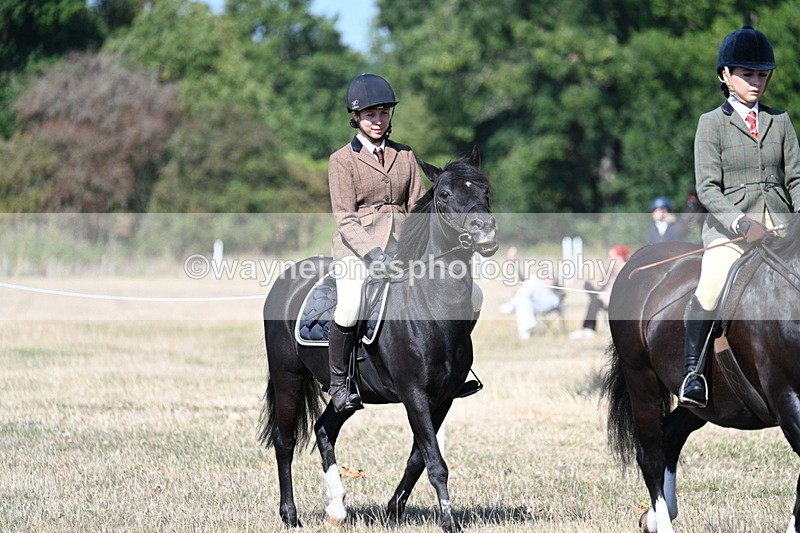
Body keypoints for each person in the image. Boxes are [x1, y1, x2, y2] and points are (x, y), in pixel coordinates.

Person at [327, 73, 483, 412]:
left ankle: (454, 369)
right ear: (356, 117)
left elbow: (418, 207)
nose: (378, 121)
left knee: (474, 294)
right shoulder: (341, 160)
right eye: (370, 115)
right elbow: (344, 216)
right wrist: (372, 253)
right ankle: (340, 383)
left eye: (383, 113)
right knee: (351, 303)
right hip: (358, 248)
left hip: (404, 247)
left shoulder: (405, 156)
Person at [679, 26, 800, 408]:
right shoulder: (711, 123)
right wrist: (741, 223)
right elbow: (708, 188)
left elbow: (796, 176)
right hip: (731, 232)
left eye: (762, 75)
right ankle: (693, 375)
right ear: (725, 75)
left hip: (782, 227)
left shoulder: (780, 120)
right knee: (712, 284)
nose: (756, 82)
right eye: (747, 74)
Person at [570, 245, 631, 339]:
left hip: (616, 301)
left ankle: (589, 328)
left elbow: (624, 292)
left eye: (611, 257)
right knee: (588, 286)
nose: (609, 259)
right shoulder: (610, 270)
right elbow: (602, 285)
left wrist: (606, 295)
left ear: (619, 257)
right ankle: (588, 328)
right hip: (604, 296)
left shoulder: (626, 271)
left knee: (595, 301)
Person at [500, 275, 562, 339]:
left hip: (552, 298)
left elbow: (554, 283)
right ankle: (528, 325)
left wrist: (550, 282)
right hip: (538, 299)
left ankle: (512, 305)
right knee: (524, 300)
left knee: (532, 282)